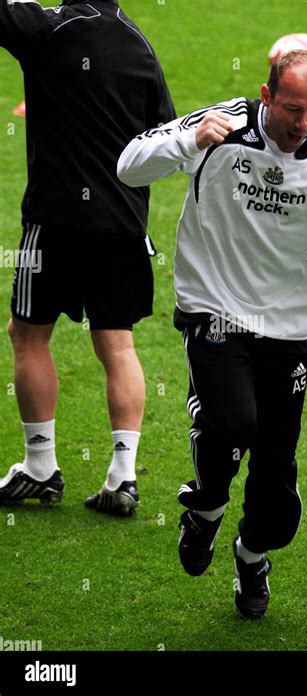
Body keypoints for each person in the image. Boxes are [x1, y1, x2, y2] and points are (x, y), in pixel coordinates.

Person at [118, 50, 307, 617]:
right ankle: (205, 507)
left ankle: (251, 556)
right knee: (233, 421)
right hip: (214, 308)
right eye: (292, 109)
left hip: (290, 330)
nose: (303, 125)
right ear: (266, 95)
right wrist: (190, 141)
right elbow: (129, 165)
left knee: (278, 497)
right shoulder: (223, 124)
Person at [0, 0, 175, 515]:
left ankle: (40, 467)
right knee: (117, 345)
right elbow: (165, 134)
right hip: (122, 227)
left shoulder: (46, 27)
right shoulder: (138, 44)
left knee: (28, 333)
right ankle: (123, 477)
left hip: (54, 223)